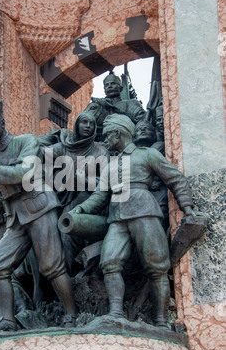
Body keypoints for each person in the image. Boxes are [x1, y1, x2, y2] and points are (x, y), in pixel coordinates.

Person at [70, 114, 196, 327]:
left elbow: (175, 179)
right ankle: (116, 312)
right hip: (117, 219)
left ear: (118, 133)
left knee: (156, 268)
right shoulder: (109, 165)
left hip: (144, 212)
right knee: (109, 262)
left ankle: (162, 321)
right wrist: (80, 209)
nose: (105, 139)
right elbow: (100, 197)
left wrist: (188, 208)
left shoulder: (147, 155)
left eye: (107, 134)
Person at [0, 98, 77, 331]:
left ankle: (72, 315)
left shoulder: (25, 141)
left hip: (40, 208)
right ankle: (7, 320)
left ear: (2, 121)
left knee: (52, 267)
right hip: (16, 219)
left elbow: (26, 171)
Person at [44, 112, 109, 273]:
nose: (87, 126)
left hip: (90, 200)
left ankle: (80, 273)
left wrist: (84, 179)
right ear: (76, 126)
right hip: (64, 200)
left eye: (91, 124)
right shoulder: (64, 147)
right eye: (84, 122)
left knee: (76, 236)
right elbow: (40, 152)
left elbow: (106, 183)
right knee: (59, 236)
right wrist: (53, 135)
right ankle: (68, 277)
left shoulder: (100, 152)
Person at [83, 71, 146, 140]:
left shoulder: (131, 103)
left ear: (121, 88)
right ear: (104, 89)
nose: (109, 86)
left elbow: (143, 121)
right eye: (107, 85)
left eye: (113, 83)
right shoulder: (97, 105)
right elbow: (83, 121)